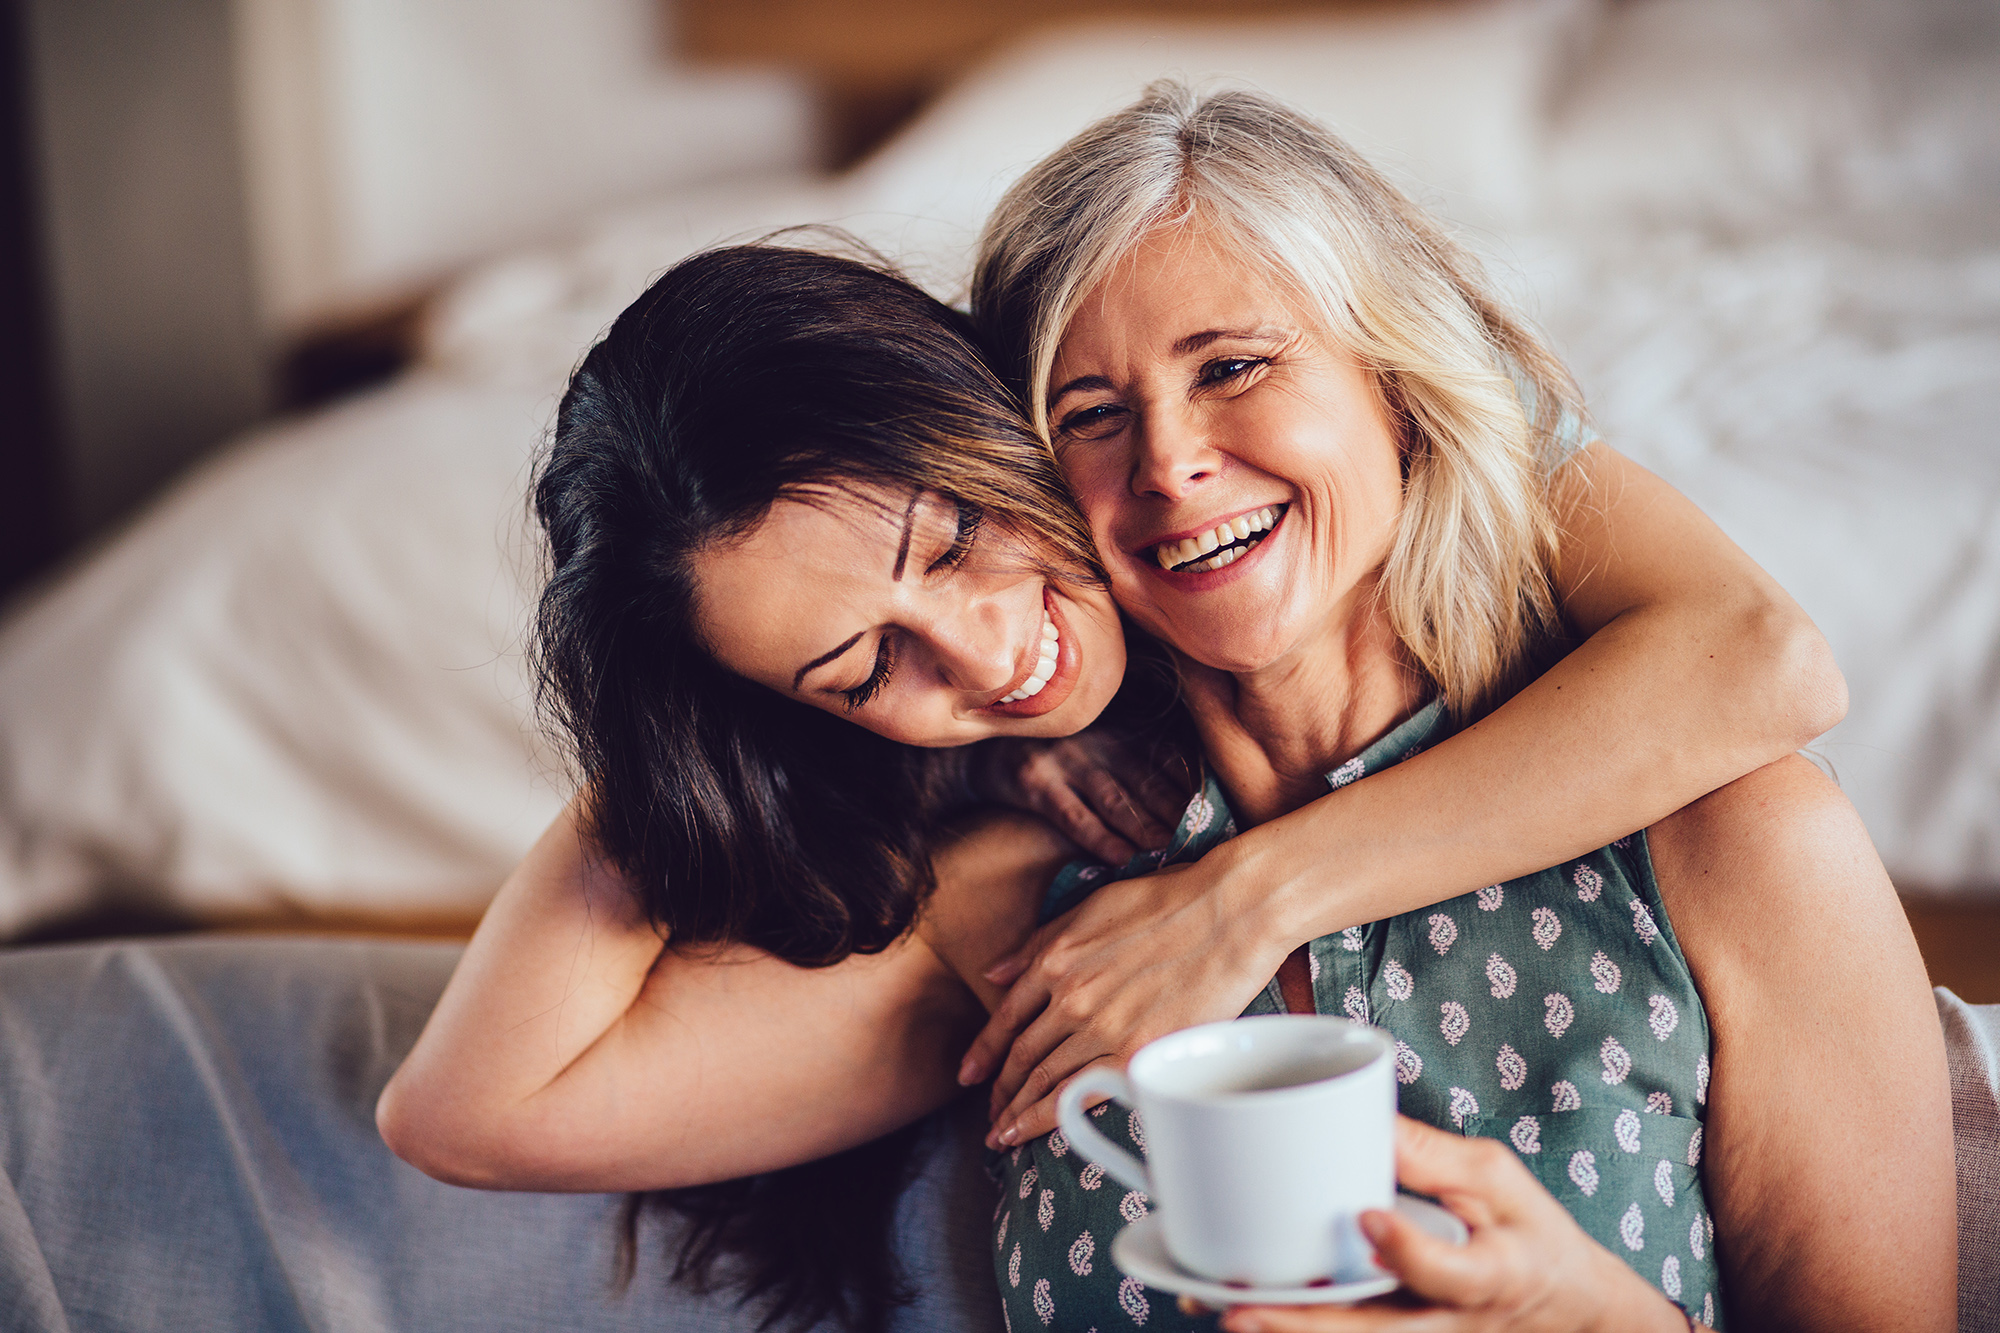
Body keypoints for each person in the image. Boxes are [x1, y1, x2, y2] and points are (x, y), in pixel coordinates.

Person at [377, 90, 1947, 1331]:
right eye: (1093, 415)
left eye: (1241, 366)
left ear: (1396, 379)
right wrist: (685, 709)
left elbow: (1765, 654)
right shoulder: (1036, 914)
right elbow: (484, 1106)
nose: (1174, 462)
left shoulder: (1725, 837)